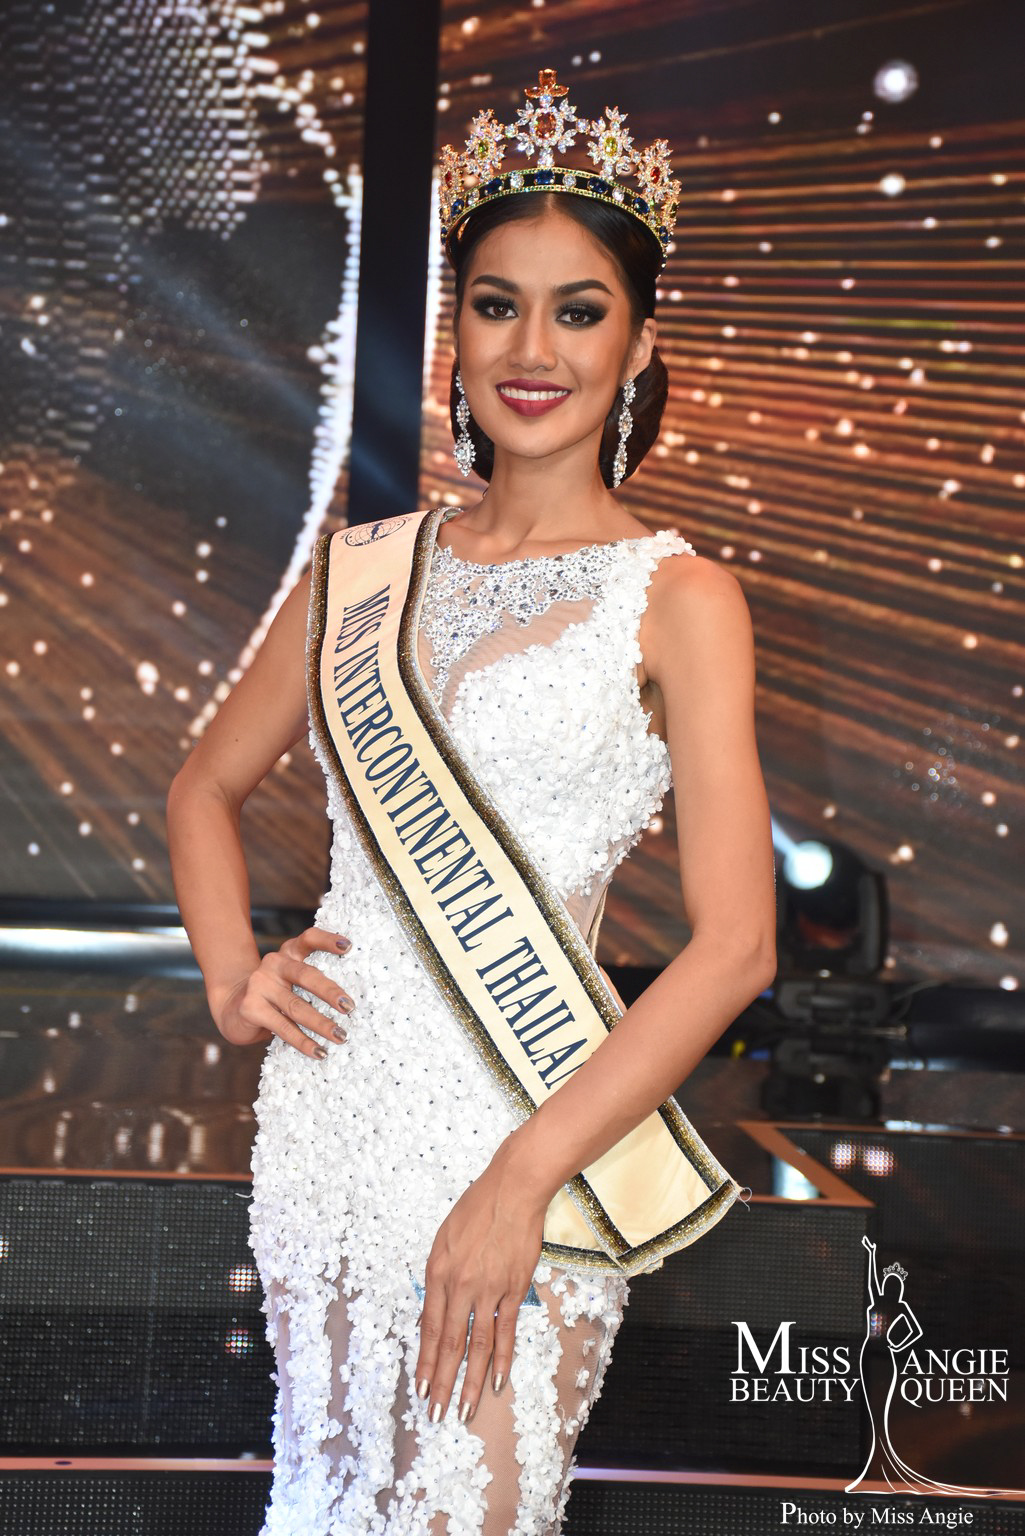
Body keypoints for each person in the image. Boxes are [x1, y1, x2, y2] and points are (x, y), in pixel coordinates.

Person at [166, 67, 777, 1536]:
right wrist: (234, 980)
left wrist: (519, 1178)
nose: (533, 348)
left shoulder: (681, 599)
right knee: (327, 1498)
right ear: (458, 325)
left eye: (580, 311)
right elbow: (201, 784)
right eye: (498, 304)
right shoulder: (363, 570)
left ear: (638, 343)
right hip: (330, 1123)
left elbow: (738, 948)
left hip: (534, 1121)